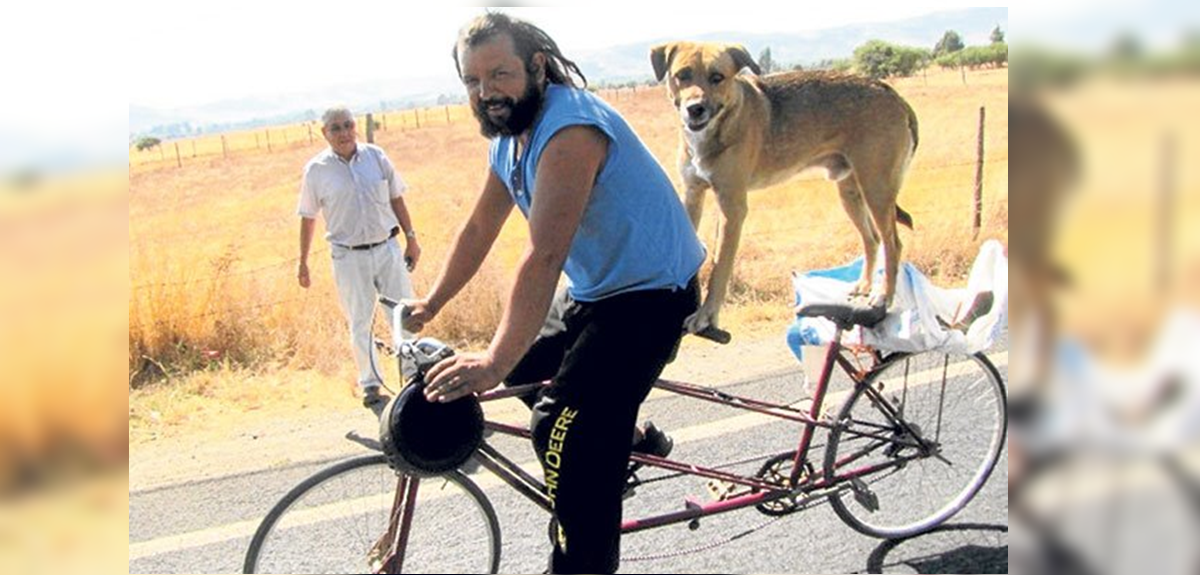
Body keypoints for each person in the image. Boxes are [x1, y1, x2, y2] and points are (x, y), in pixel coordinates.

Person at [403, 13, 705, 574]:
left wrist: (493, 360)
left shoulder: (568, 132)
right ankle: (630, 439)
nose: (486, 92)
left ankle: (582, 559)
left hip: (651, 297)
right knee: (529, 367)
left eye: (500, 74)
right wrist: (434, 302)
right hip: (599, 291)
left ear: (536, 68)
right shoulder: (510, 136)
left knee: (555, 424)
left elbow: (543, 256)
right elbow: (478, 229)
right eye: (472, 81)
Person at [296, 106, 421, 408]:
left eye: (347, 125)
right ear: (324, 134)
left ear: (355, 127)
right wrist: (303, 261)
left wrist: (411, 238)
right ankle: (371, 384)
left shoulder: (376, 157)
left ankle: (414, 378)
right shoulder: (317, 170)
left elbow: (396, 197)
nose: (343, 133)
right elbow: (308, 216)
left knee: (404, 314)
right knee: (360, 321)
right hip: (348, 256)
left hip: (386, 248)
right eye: (335, 128)